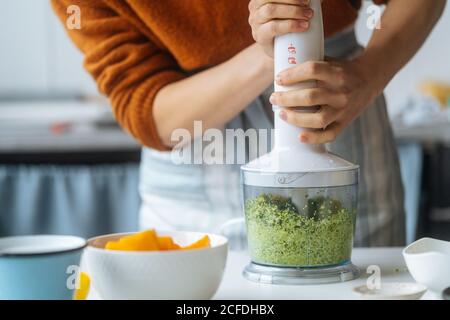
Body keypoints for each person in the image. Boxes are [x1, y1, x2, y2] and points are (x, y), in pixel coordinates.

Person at [52, 0, 446, 247]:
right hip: (194, 144)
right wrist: (266, 55)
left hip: (337, 100)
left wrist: (370, 73)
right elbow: (146, 109)